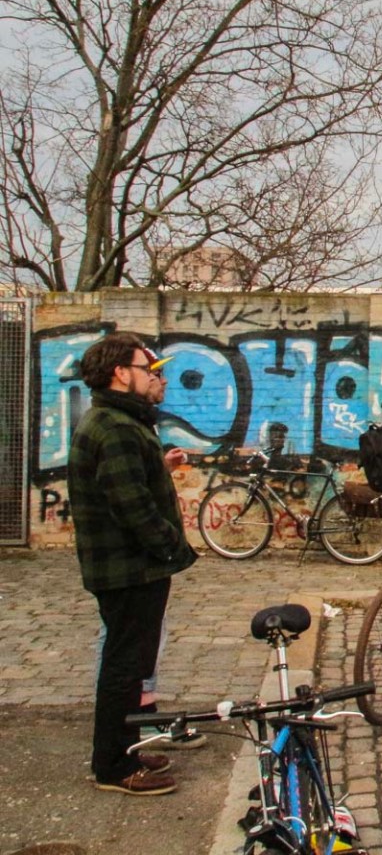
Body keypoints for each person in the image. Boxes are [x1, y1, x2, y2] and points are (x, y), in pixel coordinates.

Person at [69, 333, 199, 796]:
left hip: (130, 567)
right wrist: (172, 547)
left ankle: (125, 748)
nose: (153, 377)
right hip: (129, 568)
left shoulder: (117, 422)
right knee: (124, 666)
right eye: (146, 369)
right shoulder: (116, 427)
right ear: (121, 374)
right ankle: (113, 767)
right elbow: (132, 506)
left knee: (132, 662)